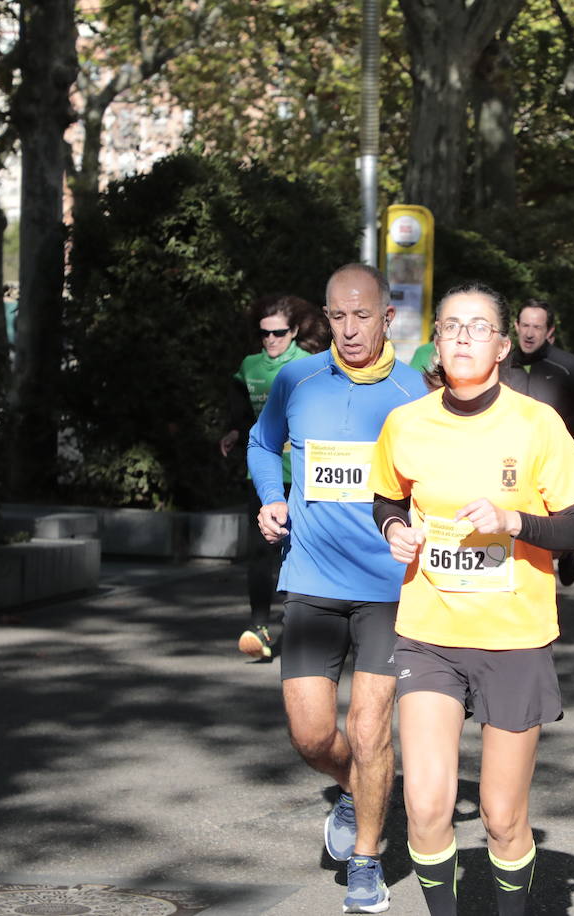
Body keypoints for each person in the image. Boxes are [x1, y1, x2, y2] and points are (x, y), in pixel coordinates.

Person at [369, 282, 574, 916]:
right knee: (426, 806)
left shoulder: (535, 423)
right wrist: (394, 528)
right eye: (450, 327)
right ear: (436, 344)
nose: (463, 336)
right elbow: (386, 495)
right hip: (429, 632)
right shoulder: (406, 423)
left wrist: (516, 522)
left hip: (513, 640)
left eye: (477, 327)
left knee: (501, 818)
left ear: (502, 346)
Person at [248, 264, 425, 913]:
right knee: (311, 734)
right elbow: (262, 444)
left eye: (362, 316)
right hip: (313, 581)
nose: (350, 330)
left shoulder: (414, 391)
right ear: (325, 318)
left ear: (387, 319)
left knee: (371, 726)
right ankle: (361, 787)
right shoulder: (296, 379)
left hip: (388, 587)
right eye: (338, 317)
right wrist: (272, 499)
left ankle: (367, 860)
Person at [221, 293, 329, 661]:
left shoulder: (309, 364)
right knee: (260, 551)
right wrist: (235, 432)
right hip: (265, 474)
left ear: (295, 331)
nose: (271, 340)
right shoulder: (249, 366)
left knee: (298, 551)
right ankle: (259, 626)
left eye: (279, 333)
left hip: (303, 476)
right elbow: (241, 407)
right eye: (265, 334)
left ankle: (302, 629)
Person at [503, 299, 574, 586]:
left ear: (549, 331)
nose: (529, 333)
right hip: (509, 458)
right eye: (524, 325)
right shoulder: (501, 362)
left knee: (548, 522)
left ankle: (561, 553)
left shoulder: (567, 365)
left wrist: (563, 429)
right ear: (515, 327)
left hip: (552, 460)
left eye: (537, 327)